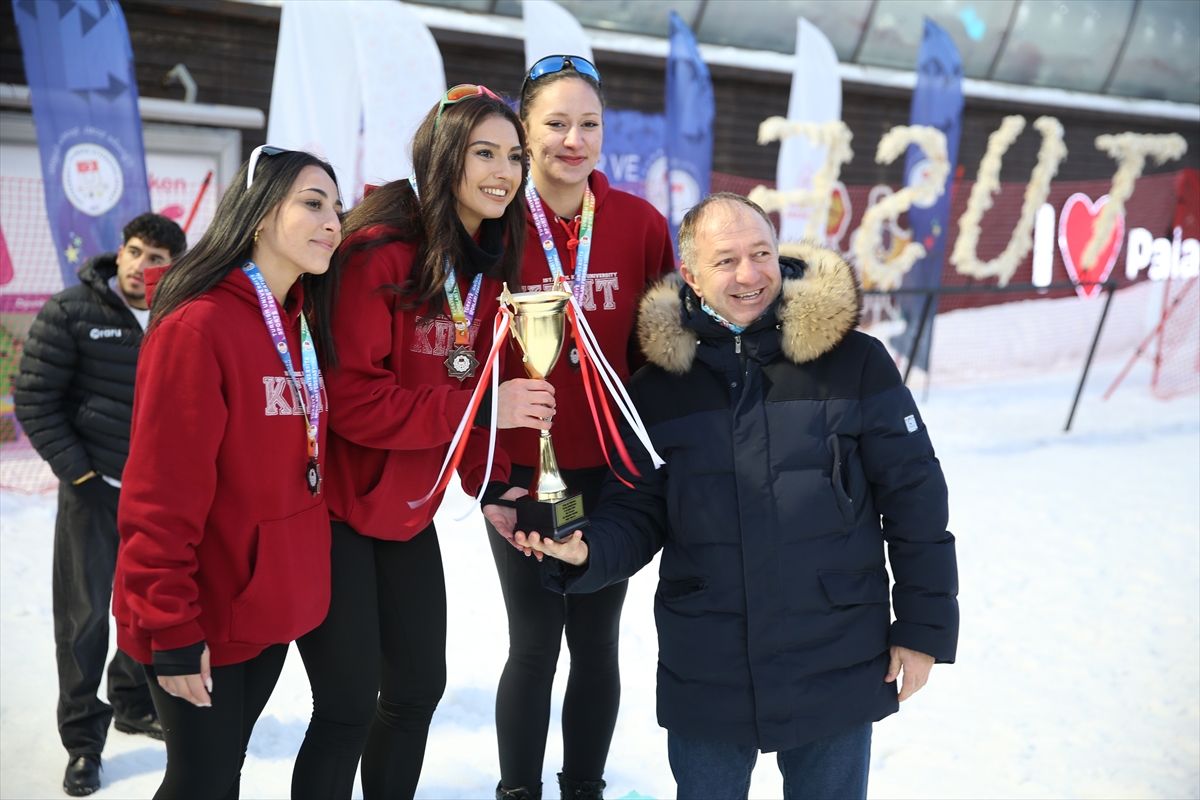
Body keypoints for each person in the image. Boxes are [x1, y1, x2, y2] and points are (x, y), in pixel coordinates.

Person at [521, 193, 959, 800]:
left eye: (761, 254)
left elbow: (915, 499)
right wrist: (588, 551)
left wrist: (922, 627)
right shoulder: (655, 388)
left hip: (833, 650)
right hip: (708, 659)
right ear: (693, 276)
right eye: (726, 261)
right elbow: (638, 509)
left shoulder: (857, 363)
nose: (750, 275)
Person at [291, 85, 553, 800]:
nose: (505, 171)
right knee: (345, 707)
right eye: (485, 153)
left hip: (406, 511)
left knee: (415, 692)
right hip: (336, 512)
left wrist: (493, 484)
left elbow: (470, 380)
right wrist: (481, 410)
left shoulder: (487, 258)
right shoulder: (379, 252)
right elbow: (352, 403)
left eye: (514, 156)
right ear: (444, 158)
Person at [111, 147, 343, 799]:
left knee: (222, 775)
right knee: (202, 782)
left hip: (262, 609)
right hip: (197, 613)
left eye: (338, 209)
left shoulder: (297, 323)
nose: (333, 222)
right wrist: (172, 626)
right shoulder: (198, 326)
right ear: (261, 215)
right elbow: (160, 494)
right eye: (313, 203)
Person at [488, 55, 675, 800]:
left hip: (612, 474)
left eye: (588, 123)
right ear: (525, 131)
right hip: (523, 473)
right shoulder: (495, 223)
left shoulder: (638, 223)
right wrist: (492, 475)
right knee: (533, 644)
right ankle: (518, 792)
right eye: (556, 123)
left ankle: (584, 790)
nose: (574, 138)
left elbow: (664, 353)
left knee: (597, 642)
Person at [13, 212, 187, 796]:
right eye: (135, 252)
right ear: (120, 252)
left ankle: (134, 701)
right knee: (85, 620)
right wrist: (82, 474)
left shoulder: (181, 316)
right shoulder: (72, 311)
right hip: (93, 493)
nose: (142, 266)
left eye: (157, 259)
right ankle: (84, 744)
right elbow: (35, 398)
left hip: (159, 503)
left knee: (146, 611)